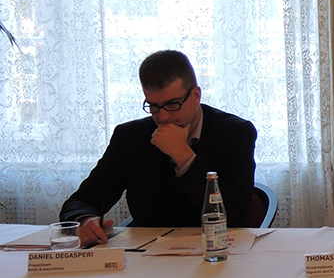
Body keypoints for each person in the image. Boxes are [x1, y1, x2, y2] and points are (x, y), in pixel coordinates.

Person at [61, 50, 258, 245]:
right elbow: (82, 200)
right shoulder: (130, 137)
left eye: (172, 104)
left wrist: (183, 156)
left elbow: (235, 211)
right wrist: (84, 220)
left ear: (196, 95)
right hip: (147, 252)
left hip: (217, 248)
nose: (162, 117)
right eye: (153, 106)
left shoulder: (235, 133)